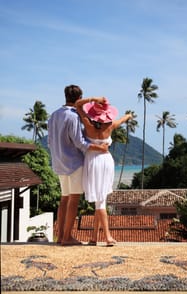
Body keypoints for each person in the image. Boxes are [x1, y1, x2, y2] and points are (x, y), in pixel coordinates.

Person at [48, 85, 109, 246]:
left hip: (59, 163)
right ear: (79, 97)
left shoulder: (54, 115)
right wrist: (100, 147)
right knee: (74, 200)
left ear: (65, 96)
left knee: (64, 199)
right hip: (74, 163)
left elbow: (50, 142)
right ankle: (67, 237)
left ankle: (61, 236)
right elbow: (80, 142)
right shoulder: (73, 116)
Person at [75, 96, 132, 246]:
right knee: (101, 200)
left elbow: (77, 105)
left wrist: (93, 99)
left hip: (93, 161)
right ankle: (98, 237)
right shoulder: (111, 125)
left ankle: (105, 237)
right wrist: (128, 115)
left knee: (100, 201)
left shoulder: (88, 124)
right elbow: (122, 120)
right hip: (106, 160)